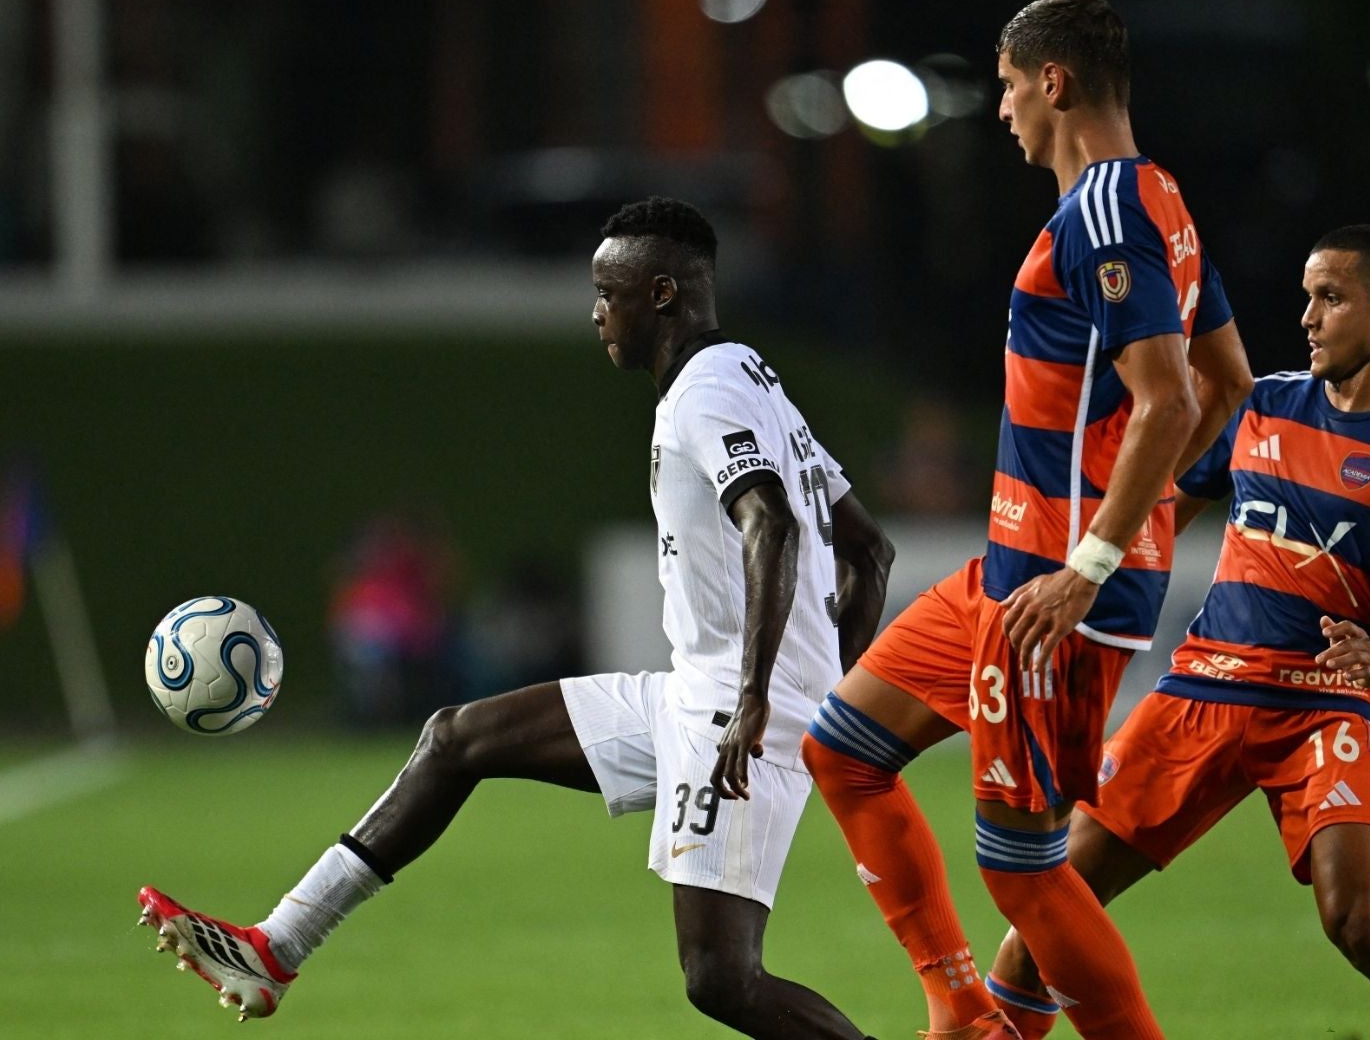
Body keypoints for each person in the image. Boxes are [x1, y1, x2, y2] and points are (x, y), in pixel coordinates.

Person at [136, 196, 898, 1039]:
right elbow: (869, 551)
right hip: (700, 694)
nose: (596, 313)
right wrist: (831, 703)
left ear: (662, 295)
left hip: (734, 710)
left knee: (721, 979)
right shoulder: (750, 378)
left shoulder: (707, 393)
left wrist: (765, 700)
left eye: (608, 294)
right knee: (456, 738)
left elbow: (771, 520)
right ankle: (277, 946)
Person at [799, 0, 1254, 1040]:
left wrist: (1099, 556)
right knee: (843, 750)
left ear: (1054, 82)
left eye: (1008, 86)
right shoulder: (1162, 203)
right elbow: (1231, 379)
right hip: (1010, 575)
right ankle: (963, 1008)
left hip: (1052, 594)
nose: (1001, 108)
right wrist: (1149, 517)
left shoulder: (1103, 212)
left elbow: (1178, 396)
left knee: (1024, 873)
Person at [986, 225, 1370, 1040]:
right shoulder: (1263, 406)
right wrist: (1084, 580)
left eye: (1330, 297)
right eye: (1307, 296)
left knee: (1360, 925)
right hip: (1201, 693)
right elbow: (1159, 512)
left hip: (1322, 709)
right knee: (1051, 900)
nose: (1308, 317)